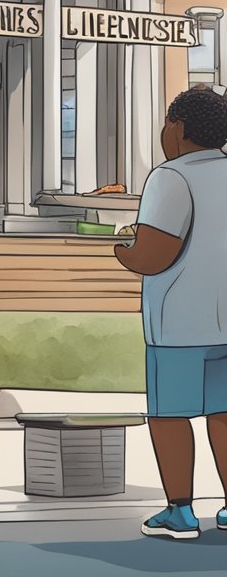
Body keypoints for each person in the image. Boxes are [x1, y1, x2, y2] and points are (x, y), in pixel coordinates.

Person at [115, 86, 227, 540]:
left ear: (178, 129)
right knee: (224, 413)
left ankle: (179, 511)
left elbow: (152, 255)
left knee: (170, 414)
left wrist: (122, 249)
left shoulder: (171, 176)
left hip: (180, 324)